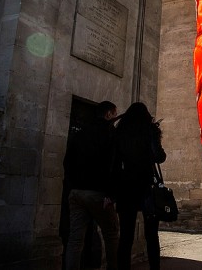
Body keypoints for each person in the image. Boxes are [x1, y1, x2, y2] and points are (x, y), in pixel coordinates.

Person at [64, 101, 119, 270]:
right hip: (98, 193)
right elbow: (113, 165)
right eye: (115, 114)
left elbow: (67, 162)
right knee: (111, 234)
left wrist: (73, 185)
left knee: (75, 239)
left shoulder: (80, 133)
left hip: (76, 192)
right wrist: (110, 194)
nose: (115, 118)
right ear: (109, 114)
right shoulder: (111, 134)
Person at [112, 102, 167, 270]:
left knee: (125, 236)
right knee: (151, 235)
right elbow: (160, 157)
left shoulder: (120, 132)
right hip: (146, 186)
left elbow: (114, 163)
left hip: (125, 186)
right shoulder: (149, 130)